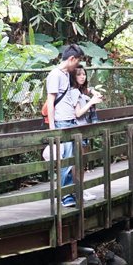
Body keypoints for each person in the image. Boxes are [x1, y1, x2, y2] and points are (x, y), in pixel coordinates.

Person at [45, 45, 103, 205]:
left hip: (70, 122)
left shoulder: (66, 75)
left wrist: (91, 92)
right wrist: (52, 128)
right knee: (66, 160)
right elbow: (51, 102)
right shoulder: (55, 75)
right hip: (61, 122)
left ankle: (69, 193)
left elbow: (79, 88)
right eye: (77, 61)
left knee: (71, 160)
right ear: (71, 59)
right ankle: (65, 196)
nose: (77, 65)